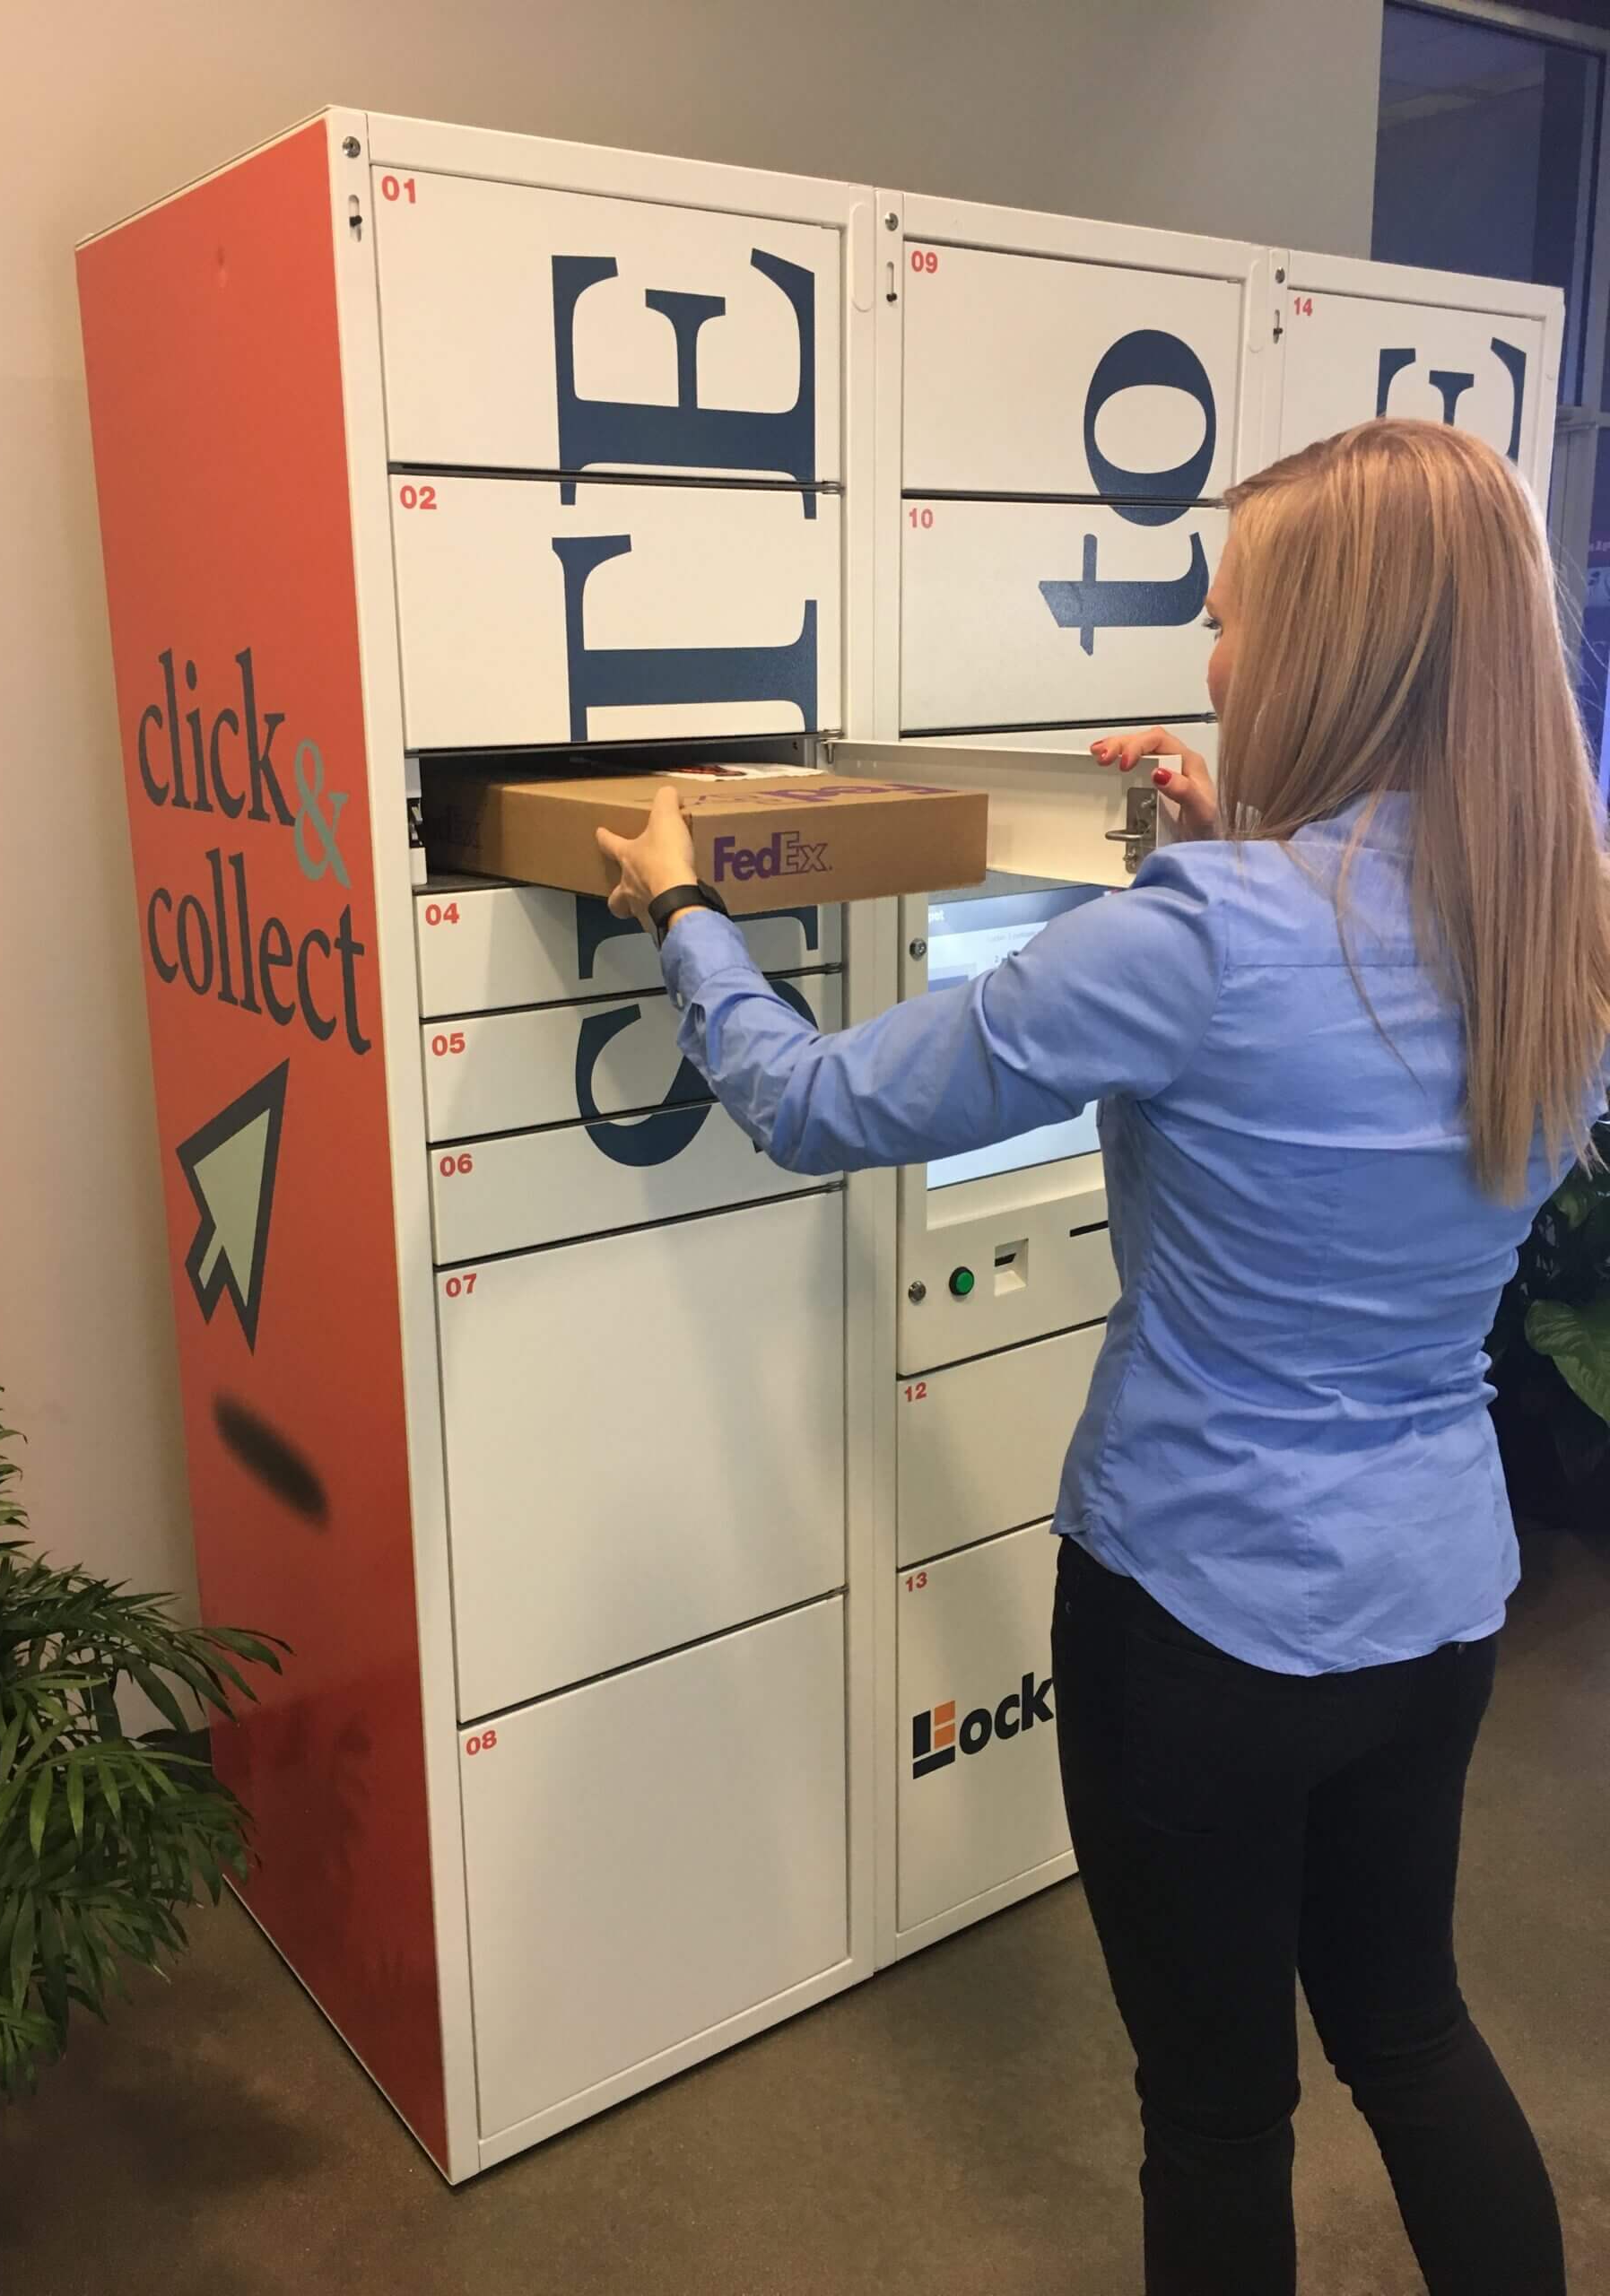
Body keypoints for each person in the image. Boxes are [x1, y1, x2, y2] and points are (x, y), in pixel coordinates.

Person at [596, 417, 1610, 2296]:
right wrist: (1240, 853)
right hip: (1439, 1597)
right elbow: (1359, 1011)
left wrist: (684, 905)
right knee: (1409, 2028)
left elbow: (816, 1102)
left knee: (1218, 2111)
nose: (1213, 662)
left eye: (1234, 623)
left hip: (1200, 1616)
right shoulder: (1559, 927)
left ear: (1330, 652)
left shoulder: (1197, 941)